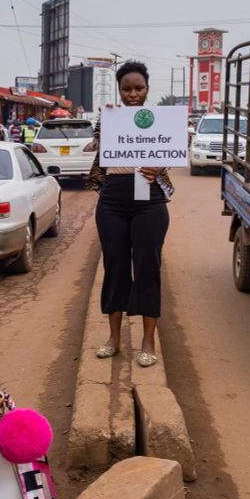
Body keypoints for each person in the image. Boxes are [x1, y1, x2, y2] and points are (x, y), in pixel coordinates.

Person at [87, 61, 172, 368]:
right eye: (127, 89)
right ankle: (113, 338)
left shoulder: (162, 120)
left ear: (147, 89)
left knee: (148, 267)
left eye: (138, 88)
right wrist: (106, 120)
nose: (133, 94)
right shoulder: (109, 117)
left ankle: (148, 342)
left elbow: (173, 152)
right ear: (119, 90)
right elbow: (97, 144)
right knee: (115, 267)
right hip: (113, 198)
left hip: (148, 197)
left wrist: (160, 167)